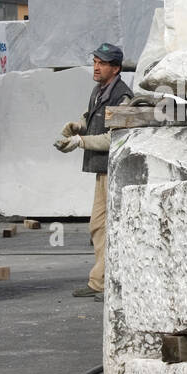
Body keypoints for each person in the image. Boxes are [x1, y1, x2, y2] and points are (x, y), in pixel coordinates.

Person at [54, 43, 133, 299]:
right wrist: (78, 126)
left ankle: (109, 284)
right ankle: (99, 281)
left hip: (117, 171)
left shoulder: (122, 97)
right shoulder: (100, 91)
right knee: (98, 226)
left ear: (116, 68)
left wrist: (81, 142)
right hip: (103, 170)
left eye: (103, 63)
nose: (96, 67)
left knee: (111, 226)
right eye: (96, 61)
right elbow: (92, 117)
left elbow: (115, 139)